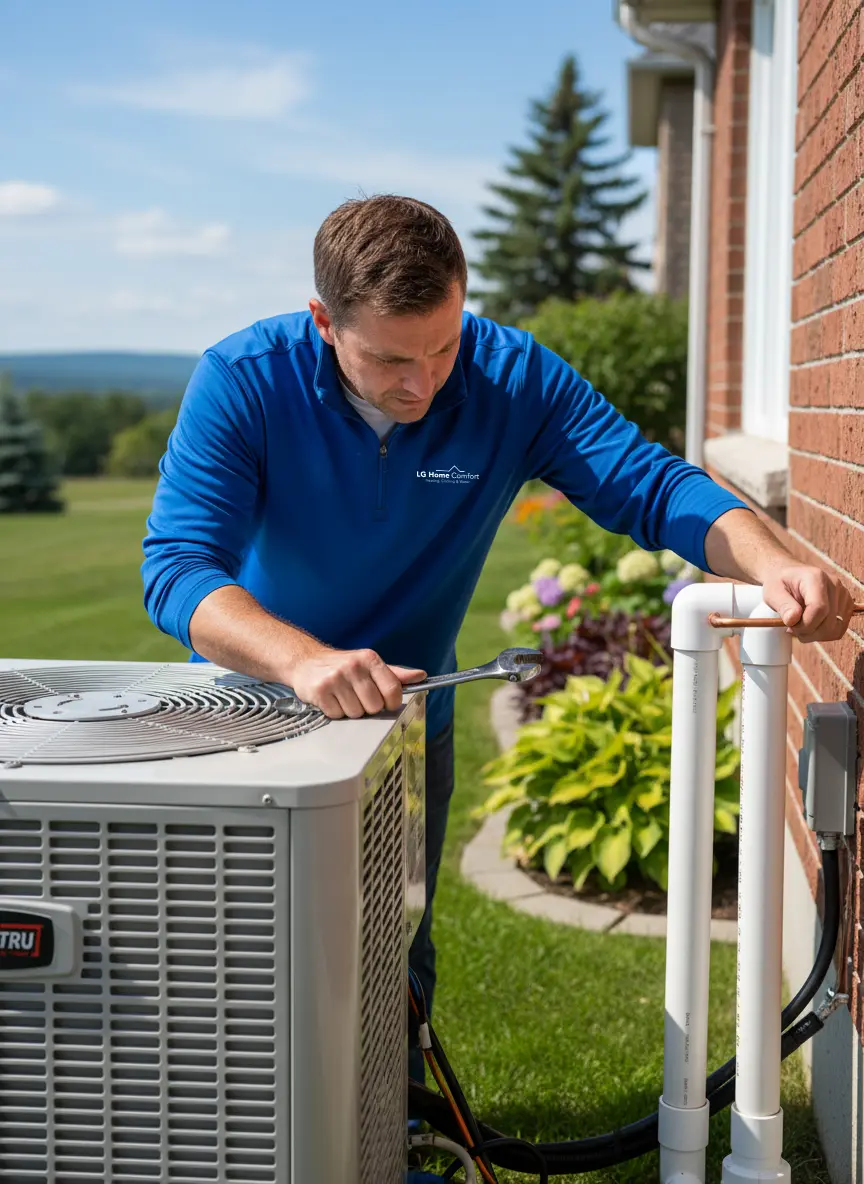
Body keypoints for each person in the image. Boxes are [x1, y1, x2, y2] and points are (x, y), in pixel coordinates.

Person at [141, 194, 854, 1085]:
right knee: (237, 969)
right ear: (324, 322)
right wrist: (304, 660)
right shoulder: (245, 378)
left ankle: (394, 1139)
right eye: (392, 359)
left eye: (444, 346)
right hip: (252, 722)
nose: (425, 383)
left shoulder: (512, 378)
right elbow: (176, 568)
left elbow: (651, 485)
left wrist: (767, 562)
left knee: (392, 954)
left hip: (407, 718)